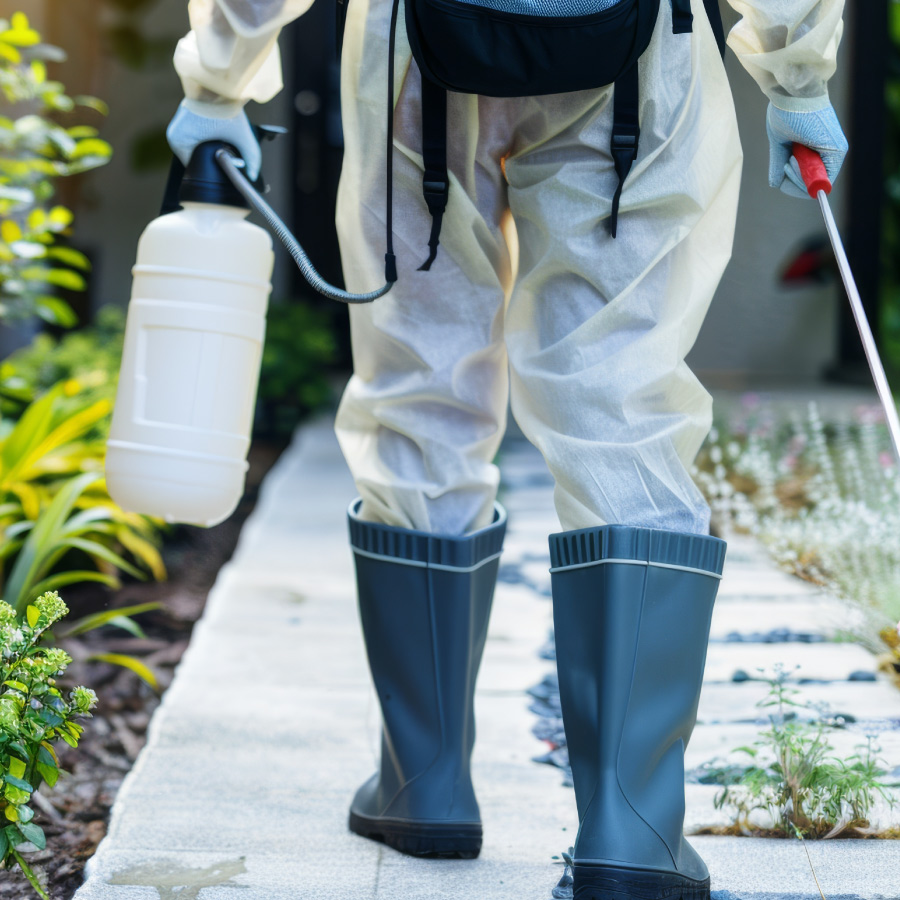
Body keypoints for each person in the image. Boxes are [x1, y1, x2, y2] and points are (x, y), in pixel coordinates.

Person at [167, 1, 848, 896]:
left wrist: (220, 79)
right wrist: (796, 73)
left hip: (416, 49)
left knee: (424, 383)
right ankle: (631, 829)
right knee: (621, 394)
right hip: (640, 62)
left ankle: (425, 781)